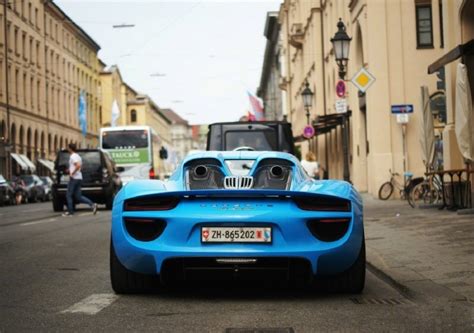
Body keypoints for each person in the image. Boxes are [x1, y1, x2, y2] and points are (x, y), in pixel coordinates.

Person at [63, 143, 98, 216]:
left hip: (74, 178)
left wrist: (72, 173)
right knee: (78, 196)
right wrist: (70, 170)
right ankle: (93, 204)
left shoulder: (73, 156)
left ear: (70, 148)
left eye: (67, 147)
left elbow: (78, 166)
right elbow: (79, 166)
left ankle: (70, 212)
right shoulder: (78, 156)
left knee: (68, 195)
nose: (67, 149)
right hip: (79, 178)